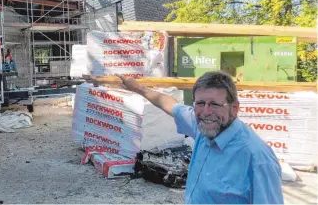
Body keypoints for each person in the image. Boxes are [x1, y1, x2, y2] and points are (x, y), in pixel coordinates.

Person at [116, 71, 284, 204]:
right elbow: (170, 105)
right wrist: (138, 88)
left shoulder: (257, 158)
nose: (205, 112)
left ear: (234, 108)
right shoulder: (202, 127)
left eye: (215, 104)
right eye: (200, 103)